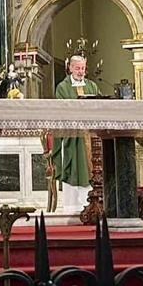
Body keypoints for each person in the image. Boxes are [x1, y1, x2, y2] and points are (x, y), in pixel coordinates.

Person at [50, 55, 99, 214]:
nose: (80, 72)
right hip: (73, 136)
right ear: (70, 68)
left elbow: (101, 104)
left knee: (95, 166)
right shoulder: (62, 87)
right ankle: (74, 207)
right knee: (76, 167)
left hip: (92, 134)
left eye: (83, 68)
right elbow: (60, 110)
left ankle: (95, 202)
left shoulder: (92, 86)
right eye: (77, 68)